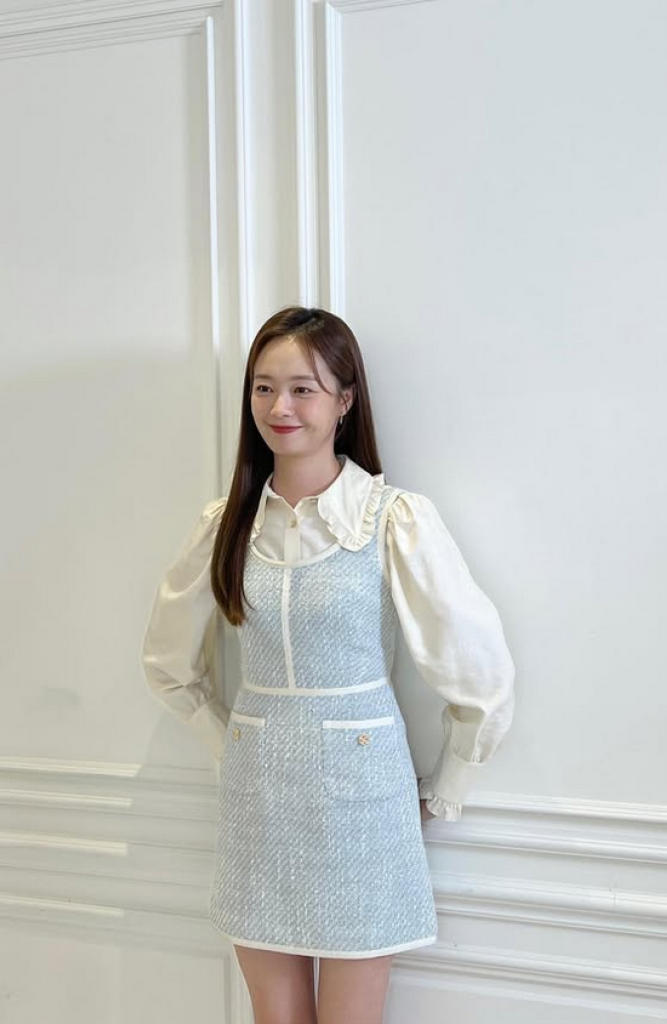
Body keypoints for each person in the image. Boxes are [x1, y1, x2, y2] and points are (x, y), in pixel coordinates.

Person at [141, 306, 515, 1023]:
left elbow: (479, 672)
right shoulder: (228, 525)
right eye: (263, 387)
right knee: (276, 1015)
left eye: (303, 389)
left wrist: (448, 787)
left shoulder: (392, 519)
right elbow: (167, 663)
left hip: (365, 803)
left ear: (345, 401)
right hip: (257, 804)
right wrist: (230, 744)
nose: (279, 407)